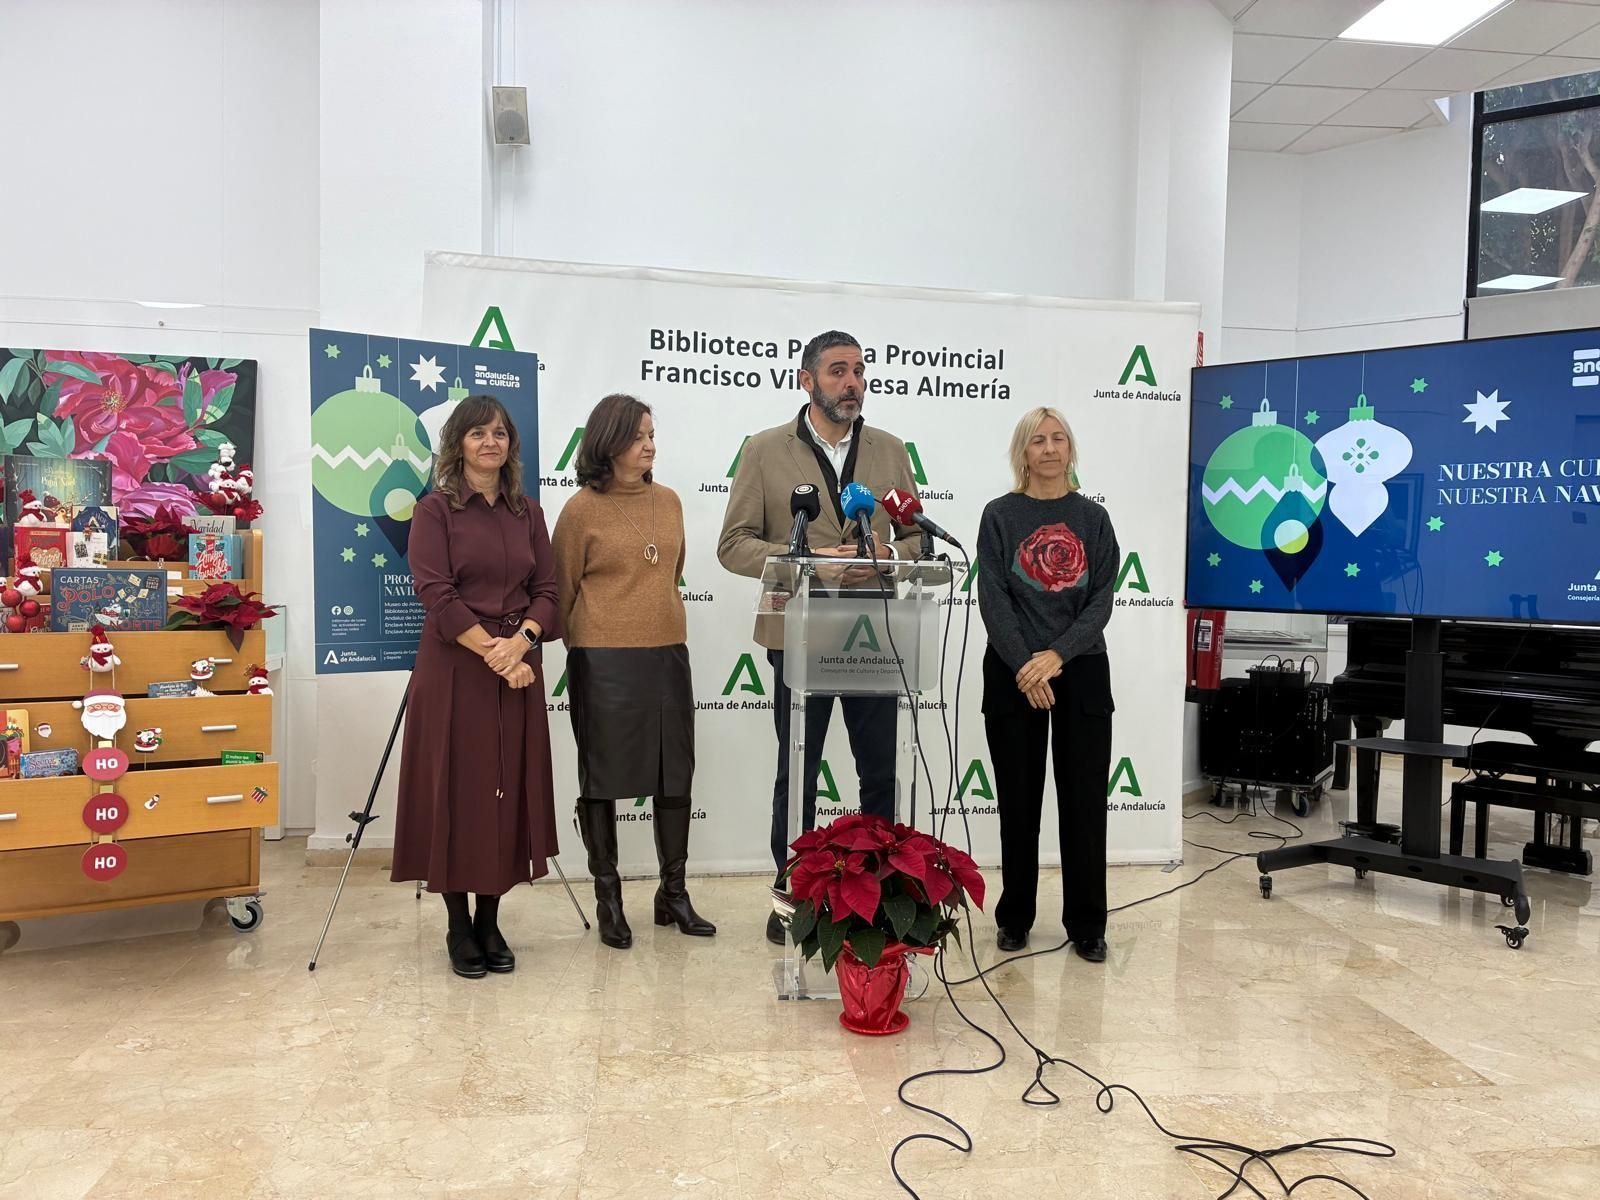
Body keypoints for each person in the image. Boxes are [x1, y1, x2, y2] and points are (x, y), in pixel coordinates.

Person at [718, 329, 921, 944]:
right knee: (798, 770)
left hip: (874, 631)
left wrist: (886, 550)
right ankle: (793, 902)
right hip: (800, 631)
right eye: (837, 371)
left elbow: (917, 539)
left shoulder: (889, 450)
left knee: (880, 773)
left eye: (859, 370)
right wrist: (807, 559)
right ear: (806, 380)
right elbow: (734, 545)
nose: (852, 382)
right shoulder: (763, 450)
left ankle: (881, 901)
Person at [391, 394, 562, 979]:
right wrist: (496, 654)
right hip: (456, 668)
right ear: (457, 444)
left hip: (517, 663)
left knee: (505, 789)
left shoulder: (529, 513)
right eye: (477, 433)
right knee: (457, 790)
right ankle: (458, 923)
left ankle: (491, 919)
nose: (491, 442)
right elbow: (436, 595)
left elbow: (549, 591)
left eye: (500, 433)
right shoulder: (434, 511)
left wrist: (524, 643)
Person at [552, 394, 715, 949]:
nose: (650, 444)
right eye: (638, 435)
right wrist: (594, 642)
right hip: (602, 661)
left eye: (652, 433)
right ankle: (609, 897)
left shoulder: (668, 501)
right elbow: (562, 588)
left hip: (667, 652)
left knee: (676, 774)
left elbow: (673, 571)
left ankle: (673, 893)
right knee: (602, 779)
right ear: (608, 442)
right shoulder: (579, 510)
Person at [976, 406, 1117, 964]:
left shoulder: (1094, 519)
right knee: (1018, 801)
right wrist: (1025, 664)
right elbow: (994, 597)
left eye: (1059, 439)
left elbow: (1101, 597)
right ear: (1024, 452)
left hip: (1079, 668)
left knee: (1084, 804)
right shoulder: (999, 515)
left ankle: (1087, 925)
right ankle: (1015, 918)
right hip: (1014, 672)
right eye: (1039, 440)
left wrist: (1055, 657)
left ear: (1070, 449)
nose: (1051, 449)